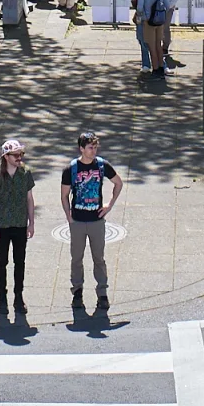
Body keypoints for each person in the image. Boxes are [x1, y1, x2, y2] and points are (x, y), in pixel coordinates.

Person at [59, 131, 121, 314]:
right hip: (78, 221)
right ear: (81, 149)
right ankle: (77, 292)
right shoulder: (71, 169)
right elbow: (64, 196)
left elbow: (119, 183)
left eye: (95, 147)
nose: (93, 151)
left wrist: (109, 205)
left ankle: (102, 293)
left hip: (96, 221)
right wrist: (68, 216)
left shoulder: (102, 166)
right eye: (90, 147)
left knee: (99, 258)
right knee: (76, 258)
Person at [0, 137, 38, 317]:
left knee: (20, 262)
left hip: (20, 224)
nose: (19, 157)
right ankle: (2, 296)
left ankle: (18, 296)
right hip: (3, 226)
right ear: (6, 156)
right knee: (2, 261)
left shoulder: (25, 173)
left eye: (21, 154)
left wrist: (31, 223)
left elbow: (30, 199)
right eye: (16, 155)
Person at [134, 0, 175, 77]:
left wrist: (139, 19)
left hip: (148, 21)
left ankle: (156, 69)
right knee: (158, 45)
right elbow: (167, 5)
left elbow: (140, 8)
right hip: (160, 20)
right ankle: (162, 66)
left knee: (150, 46)